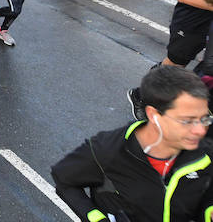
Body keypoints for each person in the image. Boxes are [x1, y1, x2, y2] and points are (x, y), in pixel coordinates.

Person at [52, 66, 213, 222]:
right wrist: (96, 218)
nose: (200, 130)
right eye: (187, 121)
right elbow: (64, 181)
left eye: (205, 118)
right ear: (154, 115)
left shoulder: (205, 155)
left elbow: (205, 197)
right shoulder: (108, 150)